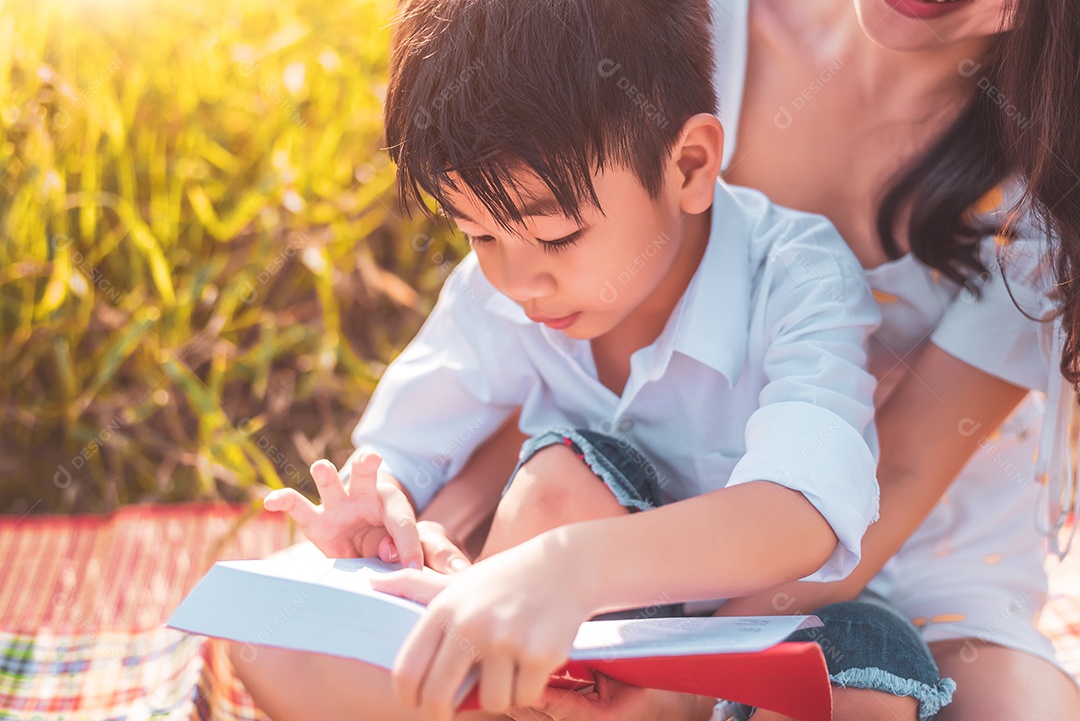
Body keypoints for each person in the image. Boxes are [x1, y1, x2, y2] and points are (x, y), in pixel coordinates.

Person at [228, 0, 907, 719]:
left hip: (768, 630)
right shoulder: (495, 299)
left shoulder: (797, 278)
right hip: (564, 652)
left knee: (867, 692)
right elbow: (406, 454)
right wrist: (386, 519)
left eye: (557, 236)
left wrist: (567, 569)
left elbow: (804, 513)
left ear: (688, 165)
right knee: (267, 637)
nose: (519, 282)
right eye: (479, 236)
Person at [468, 1, 1080, 719]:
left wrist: (688, 681)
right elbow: (553, 333)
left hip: (920, 558)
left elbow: (902, 469)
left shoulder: (1047, 177)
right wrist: (431, 506)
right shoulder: (696, 29)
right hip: (668, 492)